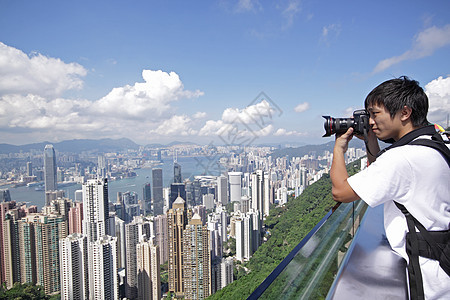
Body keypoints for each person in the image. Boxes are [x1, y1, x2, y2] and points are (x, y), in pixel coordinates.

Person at [330, 76, 450, 299]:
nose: (371, 121)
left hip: (429, 278)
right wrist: (370, 139)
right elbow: (384, 176)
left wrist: (338, 148)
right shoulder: (436, 141)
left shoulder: (403, 158)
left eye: (375, 114)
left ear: (404, 113)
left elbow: (341, 192)